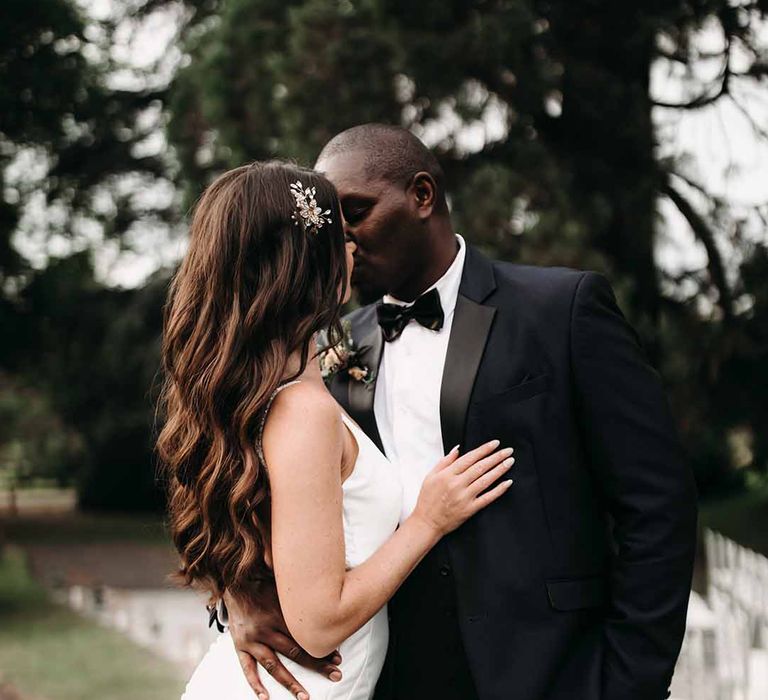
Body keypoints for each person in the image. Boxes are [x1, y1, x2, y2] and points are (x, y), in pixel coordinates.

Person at [226, 126, 699, 700]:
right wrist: (238, 597)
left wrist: (629, 680)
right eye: (330, 220)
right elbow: (241, 476)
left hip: (552, 672)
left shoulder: (561, 311)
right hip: (390, 674)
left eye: (356, 211)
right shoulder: (333, 346)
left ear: (422, 196)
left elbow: (658, 505)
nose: (341, 238)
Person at [157, 160, 514, 700]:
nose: (352, 248)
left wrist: (238, 596)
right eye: (337, 235)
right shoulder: (303, 411)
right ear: (302, 262)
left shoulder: (283, 385)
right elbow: (318, 624)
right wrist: (428, 519)